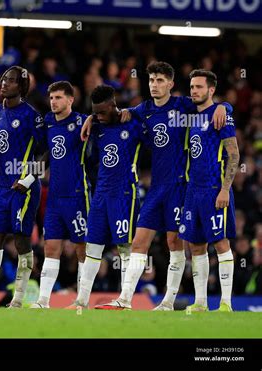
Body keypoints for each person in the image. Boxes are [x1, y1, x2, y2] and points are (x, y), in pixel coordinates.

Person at [83, 62, 231, 310]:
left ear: (171, 84)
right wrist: (91, 117)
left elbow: (211, 103)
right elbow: (111, 114)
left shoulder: (183, 106)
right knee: (139, 242)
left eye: (160, 80)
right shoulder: (143, 110)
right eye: (152, 80)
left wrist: (226, 106)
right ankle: (125, 298)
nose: (155, 84)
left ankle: (169, 301)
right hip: (155, 188)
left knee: (175, 244)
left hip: (179, 186)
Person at [0, 66, 45, 308]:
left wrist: (28, 180)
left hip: (22, 189)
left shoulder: (31, 115)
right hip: (2, 187)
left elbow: (46, 152)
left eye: (12, 81)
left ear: (22, 87)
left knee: (22, 242)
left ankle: (18, 299)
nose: (4, 84)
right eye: (4, 80)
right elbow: (2, 146)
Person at [70, 84, 146, 308]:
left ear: (114, 106)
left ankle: (125, 299)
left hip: (124, 193)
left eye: (103, 112)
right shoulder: (95, 125)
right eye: (96, 112)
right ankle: (81, 300)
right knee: (92, 246)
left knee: (125, 247)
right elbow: (83, 121)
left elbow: (153, 111)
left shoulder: (133, 122)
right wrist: (90, 118)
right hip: (100, 194)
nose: (99, 116)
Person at [180, 70, 239, 312]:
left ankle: (226, 303)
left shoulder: (221, 115)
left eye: (199, 87)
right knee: (196, 246)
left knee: (221, 243)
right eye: (192, 87)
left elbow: (234, 154)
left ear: (211, 90)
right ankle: (201, 303)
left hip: (215, 189)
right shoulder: (193, 117)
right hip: (193, 191)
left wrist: (225, 189)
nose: (194, 91)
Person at [30, 81, 89, 309]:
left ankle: (81, 299)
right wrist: (29, 177)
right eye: (51, 98)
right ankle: (44, 300)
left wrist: (93, 118)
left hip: (77, 195)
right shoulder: (48, 123)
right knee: (51, 247)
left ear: (70, 100)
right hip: (54, 197)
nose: (53, 102)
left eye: (58, 97)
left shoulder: (83, 121)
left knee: (81, 247)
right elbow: (47, 154)